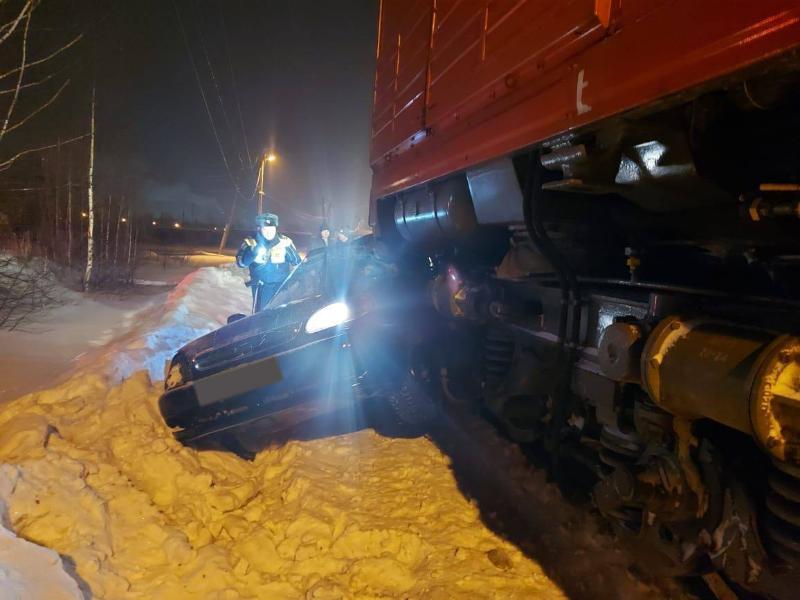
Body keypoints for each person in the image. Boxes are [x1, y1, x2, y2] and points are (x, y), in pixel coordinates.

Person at [236, 212, 301, 313]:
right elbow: (241, 263)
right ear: (259, 229)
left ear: (276, 228)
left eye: (271, 228)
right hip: (261, 288)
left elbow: (297, 262)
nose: (269, 232)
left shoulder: (285, 242)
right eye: (265, 229)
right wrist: (252, 252)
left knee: (282, 315)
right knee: (262, 317)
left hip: (281, 288)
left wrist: (288, 252)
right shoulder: (250, 242)